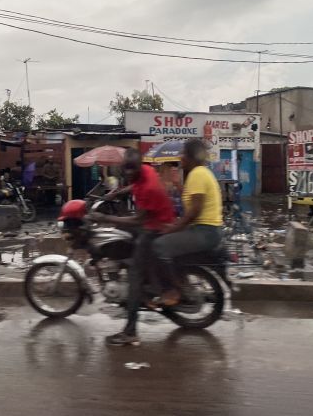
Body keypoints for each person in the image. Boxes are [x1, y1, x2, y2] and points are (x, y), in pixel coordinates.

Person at [88, 148, 175, 347]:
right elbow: (134, 185)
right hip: (153, 223)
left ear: (137, 166)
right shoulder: (144, 171)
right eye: (125, 169)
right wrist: (115, 193)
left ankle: (130, 332)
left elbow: (138, 219)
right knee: (120, 235)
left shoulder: (149, 187)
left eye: (131, 170)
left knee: (134, 273)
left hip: (155, 228)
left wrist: (105, 218)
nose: (128, 173)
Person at [152, 139, 223, 306]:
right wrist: (177, 185)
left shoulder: (197, 173)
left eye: (184, 154)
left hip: (205, 232)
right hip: (206, 230)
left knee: (159, 245)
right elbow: (191, 200)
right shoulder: (200, 173)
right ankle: (181, 283)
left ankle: (172, 291)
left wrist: (174, 228)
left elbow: (194, 211)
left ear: (191, 157)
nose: (181, 158)